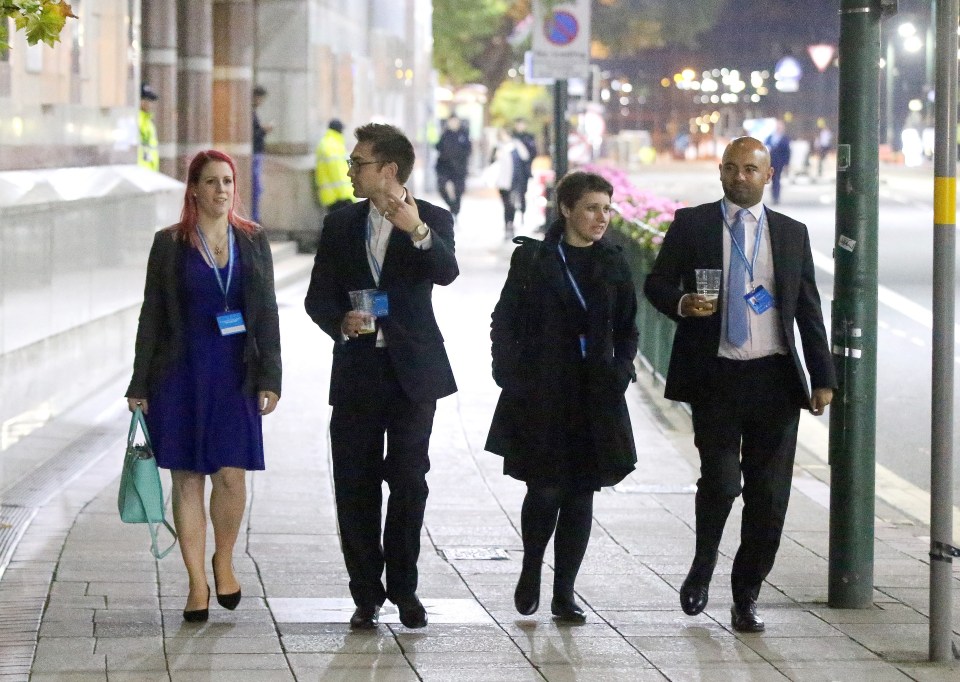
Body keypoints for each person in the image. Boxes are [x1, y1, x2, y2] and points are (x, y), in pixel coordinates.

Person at [643, 137, 835, 633]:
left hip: (774, 379)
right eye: (731, 168)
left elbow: (809, 309)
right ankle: (703, 562)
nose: (740, 177)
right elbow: (657, 283)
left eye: (751, 169)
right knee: (723, 482)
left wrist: (823, 377)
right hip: (717, 375)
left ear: (767, 175)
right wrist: (683, 303)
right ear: (721, 171)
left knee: (770, 498)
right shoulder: (693, 224)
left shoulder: (791, 234)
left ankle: (746, 594)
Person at [304, 123, 458, 631]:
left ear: (388, 170)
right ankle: (366, 592)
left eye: (359, 163)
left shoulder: (432, 218)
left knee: (410, 481)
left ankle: (405, 588)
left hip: (414, 374)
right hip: (358, 371)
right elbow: (317, 296)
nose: (350, 170)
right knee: (355, 484)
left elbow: (447, 271)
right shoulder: (341, 224)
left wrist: (416, 229)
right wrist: (338, 323)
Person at [125, 149, 282, 623]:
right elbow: (151, 315)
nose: (221, 191)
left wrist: (271, 376)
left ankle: (224, 557)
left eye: (228, 182)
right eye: (211, 182)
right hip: (181, 373)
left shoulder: (252, 240)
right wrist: (140, 382)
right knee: (187, 476)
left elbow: (268, 313)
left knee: (231, 475)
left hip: (236, 372)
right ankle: (196, 583)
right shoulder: (170, 243)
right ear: (193, 188)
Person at [485, 171, 638, 623]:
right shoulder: (534, 260)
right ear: (567, 209)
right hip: (543, 389)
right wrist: (507, 370)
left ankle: (564, 591)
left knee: (581, 493)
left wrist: (622, 369)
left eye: (606, 209)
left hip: (595, 391)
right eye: (591, 207)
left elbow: (628, 328)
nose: (601, 217)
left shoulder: (613, 262)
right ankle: (532, 565)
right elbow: (504, 318)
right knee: (545, 488)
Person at [489, 128, 530, 239]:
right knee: (506, 203)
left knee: (511, 203)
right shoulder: (498, 147)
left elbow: (525, 157)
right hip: (502, 181)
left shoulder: (516, 145)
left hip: (514, 180)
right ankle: (507, 222)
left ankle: (510, 222)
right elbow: (492, 162)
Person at [315, 119, 355, 214]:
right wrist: (345, 196)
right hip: (338, 196)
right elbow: (336, 171)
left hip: (334, 195)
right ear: (338, 130)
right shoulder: (331, 145)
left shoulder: (330, 143)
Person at [434, 115, 471, 218]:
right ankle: (452, 206)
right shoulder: (445, 134)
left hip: (459, 169)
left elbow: (468, 151)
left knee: (459, 191)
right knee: (441, 187)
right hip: (444, 167)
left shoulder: (463, 135)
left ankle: (456, 211)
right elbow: (438, 147)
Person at [251, 85, 273, 225]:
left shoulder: (253, 112)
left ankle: (256, 216)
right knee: (255, 187)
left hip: (257, 154)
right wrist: (264, 130)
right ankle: (254, 216)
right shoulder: (249, 113)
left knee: (258, 188)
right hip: (254, 155)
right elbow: (251, 135)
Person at [512, 118, 538, 221]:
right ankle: (512, 215)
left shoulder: (528, 137)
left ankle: (522, 212)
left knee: (523, 192)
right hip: (513, 170)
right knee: (512, 193)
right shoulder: (512, 136)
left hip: (524, 170)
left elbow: (533, 152)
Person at [764, 120, 791, 204]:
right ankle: (773, 195)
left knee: (777, 179)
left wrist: (786, 163)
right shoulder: (770, 137)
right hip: (770, 161)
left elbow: (787, 152)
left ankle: (776, 197)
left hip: (779, 162)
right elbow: (764, 147)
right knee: (771, 179)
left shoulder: (784, 139)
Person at [138, 84, 160, 171]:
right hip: (138, 175)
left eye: (151, 100)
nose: (150, 103)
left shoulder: (149, 123)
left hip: (150, 175)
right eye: (147, 99)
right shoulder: (134, 121)